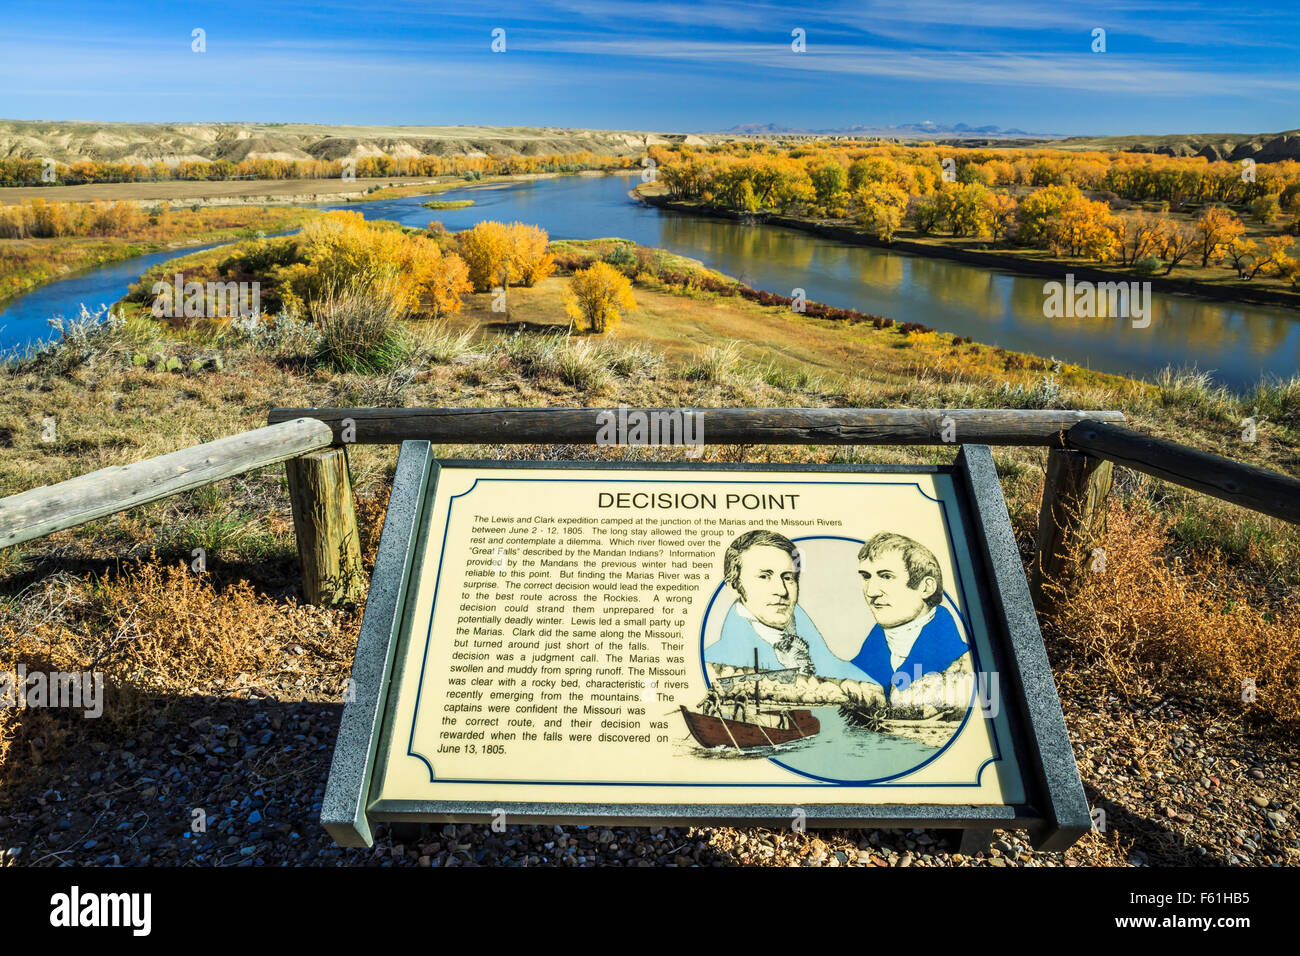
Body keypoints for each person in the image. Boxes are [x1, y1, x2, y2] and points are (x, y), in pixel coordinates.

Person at [705, 529, 865, 680]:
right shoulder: (713, 661)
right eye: (764, 577)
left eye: (788, 578)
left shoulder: (818, 650)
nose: (781, 591)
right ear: (734, 586)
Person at [849, 531, 969, 698]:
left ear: (926, 588)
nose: (871, 591)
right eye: (866, 577)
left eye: (886, 576)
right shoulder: (856, 669)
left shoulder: (965, 663)